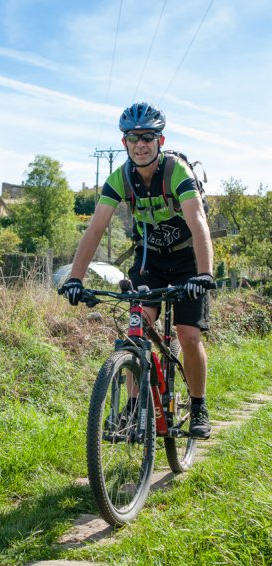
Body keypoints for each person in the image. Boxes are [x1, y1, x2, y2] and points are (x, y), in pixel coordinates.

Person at [60, 102, 214, 439]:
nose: (140, 144)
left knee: (188, 335)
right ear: (124, 143)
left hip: (188, 261)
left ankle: (199, 406)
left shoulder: (176, 172)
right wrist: (75, 278)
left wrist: (204, 274)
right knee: (136, 329)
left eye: (148, 137)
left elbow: (198, 221)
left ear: (160, 140)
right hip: (150, 261)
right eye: (133, 138)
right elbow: (95, 229)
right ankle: (131, 409)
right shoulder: (121, 179)